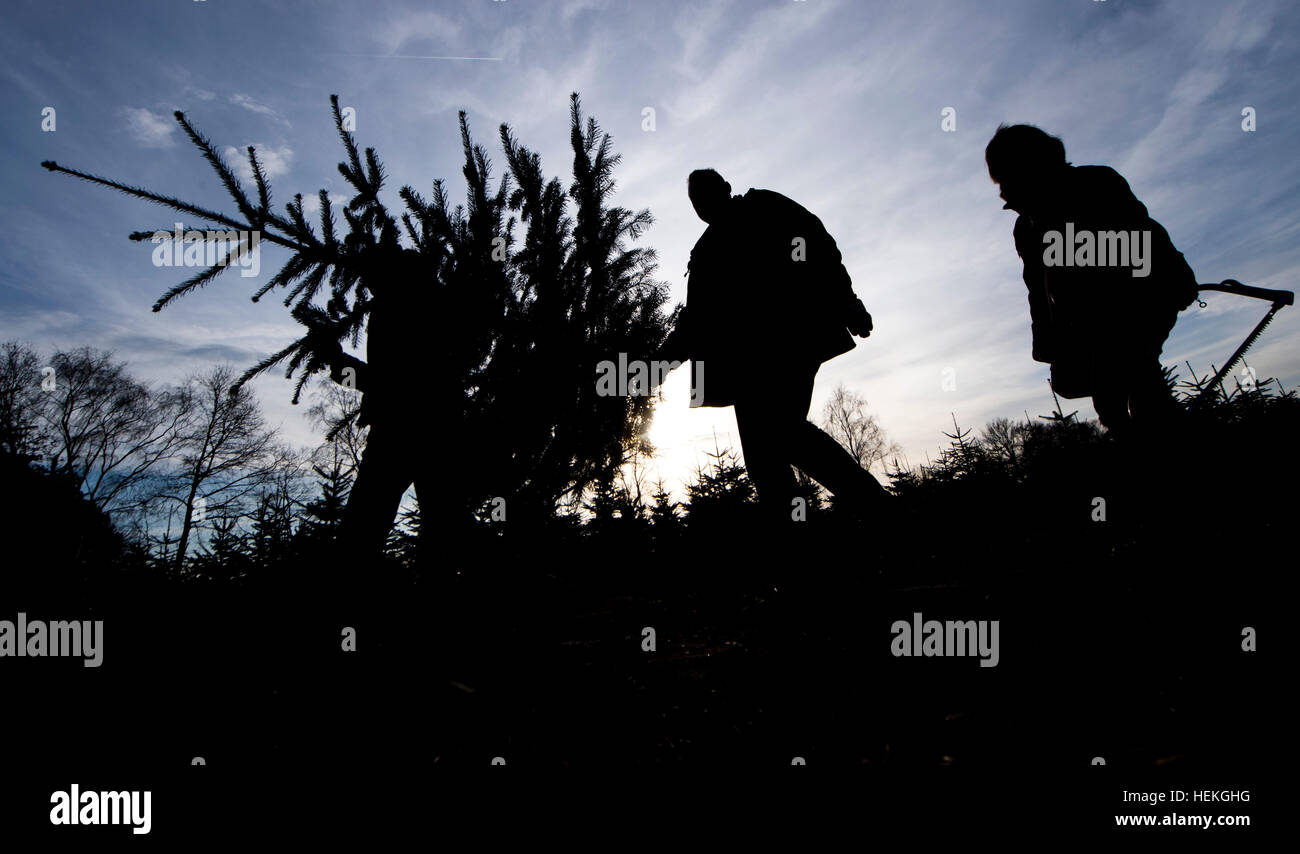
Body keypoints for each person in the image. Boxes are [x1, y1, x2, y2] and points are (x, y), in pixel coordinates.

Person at [658, 168, 887, 522]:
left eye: (707, 193)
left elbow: (818, 245)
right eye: (695, 200)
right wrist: (654, 368)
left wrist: (847, 301)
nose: (702, 204)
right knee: (766, 467)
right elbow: (696, 324)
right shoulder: (704, 253)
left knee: (785, 433)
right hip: (743, 372)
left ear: (726, 188)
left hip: (790, 345)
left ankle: (877, 507)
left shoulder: (765, 207)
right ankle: (800, 557)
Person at [984, 124, 1199, 439]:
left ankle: (1166, 441)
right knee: (1109, 396)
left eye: (1006, 177)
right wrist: (1046, 343)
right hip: (1090, 322)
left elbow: (1143, 246)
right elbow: (1037, 288)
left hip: (1140, 302)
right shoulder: (1027, 227)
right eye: (999, 180)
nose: (1002, 190)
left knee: (1131, 394)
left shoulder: (1096, 185)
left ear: (1033, 167)